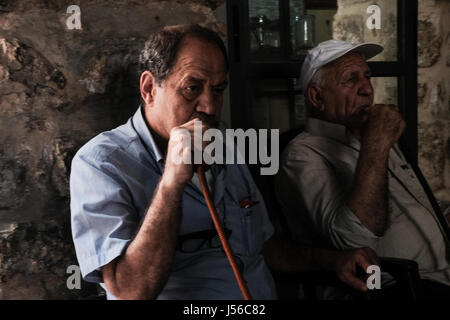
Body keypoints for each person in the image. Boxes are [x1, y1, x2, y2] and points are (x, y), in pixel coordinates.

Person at [70, 25, 377, 300]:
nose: (208, 105)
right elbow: (129, 292)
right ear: (150, 88)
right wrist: (171, 182)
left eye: (218, 90)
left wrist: (330, 261)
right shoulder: (101, 164)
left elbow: (261, 247)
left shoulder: (225, 147)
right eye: (193, 87)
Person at [276, 39, 450, 298]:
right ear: (317, 97)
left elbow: (414, 203)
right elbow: (354, 240)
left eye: (367, 77)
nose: (367, 89)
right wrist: (377, 145)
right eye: (350, 79)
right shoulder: (303, 154)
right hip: (393, 288)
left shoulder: (367, 135)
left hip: (440, 276)